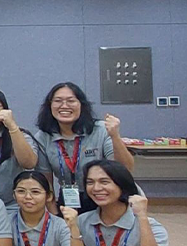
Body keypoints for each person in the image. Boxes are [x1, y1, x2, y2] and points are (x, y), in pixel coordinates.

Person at [34, 82, 134, 212]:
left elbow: (125, 169)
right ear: (49, 106)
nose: (64, 106)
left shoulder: (101, 130)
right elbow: (46, 182)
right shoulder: (43, 137)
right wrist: (55, 215)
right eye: (58, 101)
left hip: (104, 195)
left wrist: (115, 136)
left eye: (71, 101)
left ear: (82, 105)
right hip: (68, 197)